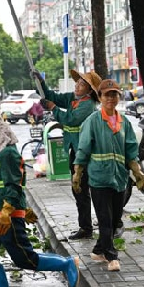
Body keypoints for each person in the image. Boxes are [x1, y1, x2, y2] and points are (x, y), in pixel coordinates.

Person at [0, 103, 79, 287]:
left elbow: (15, 184)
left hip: (7, 217)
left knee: (25, 259)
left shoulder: (7, 154)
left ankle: (66, 264)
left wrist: (10, 211)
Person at [73, 79, 144, 272]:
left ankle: (98, 249)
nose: (111, 98)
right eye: (107, 95)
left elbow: (131, 149)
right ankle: (111, 257)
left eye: (114, 94)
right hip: (98, 178)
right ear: (100, 97)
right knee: (105, 219)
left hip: (119, 178)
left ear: (119, 97)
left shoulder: (124, 123)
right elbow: (83, 149)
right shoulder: (92, 122)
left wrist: (136, 171)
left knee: (114, 220)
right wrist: (78, 173)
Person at [32, 69, 101, 240]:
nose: (78, 85)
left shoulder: (87, 105)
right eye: (78, 82)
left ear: (90, 90)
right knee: (78, 189)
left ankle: (89, 227)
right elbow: (53, 97)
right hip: (74, 149)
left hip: (84, 152)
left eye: (83, 84)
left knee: (82, 189)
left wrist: (53, 108)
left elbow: (69, 120)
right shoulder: (74, 98)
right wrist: (41, 82)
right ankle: (85, 226)